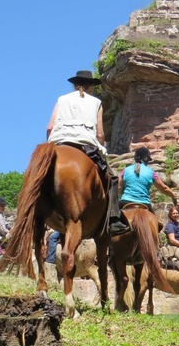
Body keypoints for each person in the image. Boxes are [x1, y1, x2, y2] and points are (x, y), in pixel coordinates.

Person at [46, 70, 129, 236]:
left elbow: (49, 128)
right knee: (112, 179)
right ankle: (114, 219)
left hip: (58, 142)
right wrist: (101, 145)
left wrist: (53, 145)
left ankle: (30, 213)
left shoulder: (62, 100)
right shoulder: (96, 102)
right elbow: (99, 134)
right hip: (86, 143)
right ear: (90, 86)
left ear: (75, 85)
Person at [120, 146, 177, 213]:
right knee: (157, 223)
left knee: (111, 219)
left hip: (125, 202)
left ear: (135, 158)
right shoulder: (151, 173)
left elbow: (118, 187)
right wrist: (173, 196)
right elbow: (163, 188)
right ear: (146, 159)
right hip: (144, 203)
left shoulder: (125, 170)